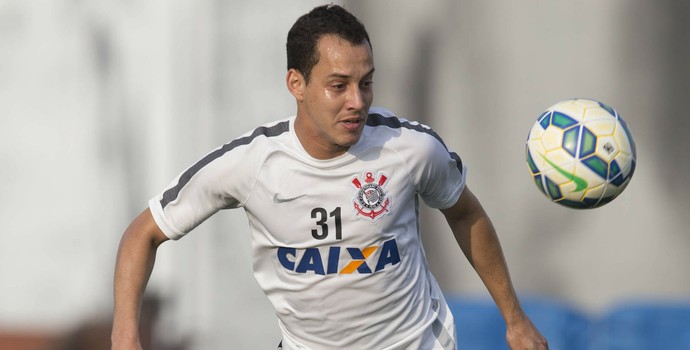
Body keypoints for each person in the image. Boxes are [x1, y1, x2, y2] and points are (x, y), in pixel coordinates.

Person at [111, 4, 548, 350]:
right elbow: (143, 233)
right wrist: (125, 337)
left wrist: (515, 319)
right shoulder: (249, 164)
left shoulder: (410, 149)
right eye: (338, 85)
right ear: (296, 83)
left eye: (366, 82)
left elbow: (465, 213)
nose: (357, 101)